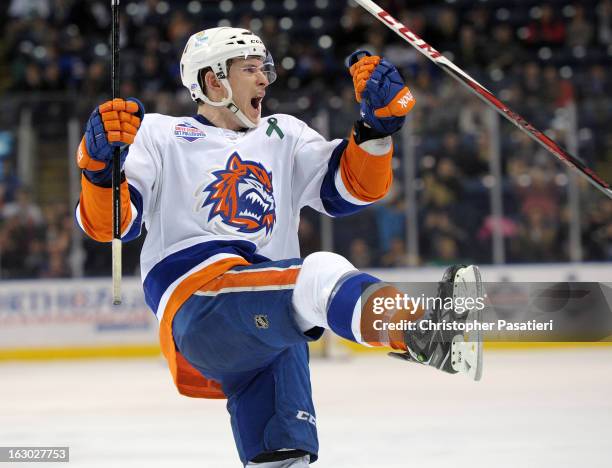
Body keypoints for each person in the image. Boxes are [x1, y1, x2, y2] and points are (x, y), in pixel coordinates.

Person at [75, 27, 483, 467]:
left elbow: (350, 188)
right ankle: (424, 331)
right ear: (213, 81)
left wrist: (375, 130)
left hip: (272, 320)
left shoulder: (283, 134)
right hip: (202, 303)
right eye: (250, 69)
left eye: (264, 68)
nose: (265, 80)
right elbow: (113, 225)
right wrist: (100, 170)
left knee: (283, 457)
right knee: (320, 275)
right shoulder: (159, 134)